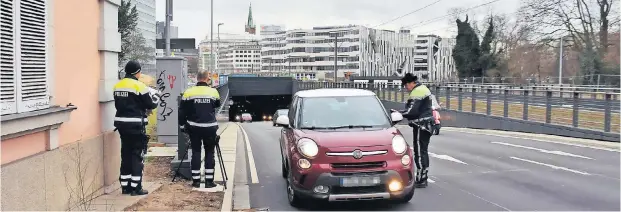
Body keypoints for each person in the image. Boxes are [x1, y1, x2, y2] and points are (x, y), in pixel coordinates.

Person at [113, 61, 159, 195]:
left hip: (121, 124)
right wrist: (156, 96)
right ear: (137, 72)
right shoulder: (139, 86)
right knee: (137, 154)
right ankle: (136, 187)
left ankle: (125, 186)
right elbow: (151, 103)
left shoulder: (117, 85)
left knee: (125, 153)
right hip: (136, 125)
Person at [179, 71, 221, 188]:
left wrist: (182, 125)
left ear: (197, 78)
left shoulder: (188, 92)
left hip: (194, 127)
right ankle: (209, 181)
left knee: (196, 152)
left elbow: (182, 111)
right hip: (210, 128)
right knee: (209, 152)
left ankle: (196, 181)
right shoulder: (214, 92)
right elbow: (217, 104)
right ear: (207, 79)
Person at [400, 73, 434, 188]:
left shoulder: (417, 91)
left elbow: (411, 111)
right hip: (427, 124)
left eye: (406, 86)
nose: (406, 89)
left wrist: (398, 114)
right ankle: (424, 177)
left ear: (410, 83)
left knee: (419, 152)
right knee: (423, 151)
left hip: (421, 125)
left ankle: (420, 179)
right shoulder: (423, 88)